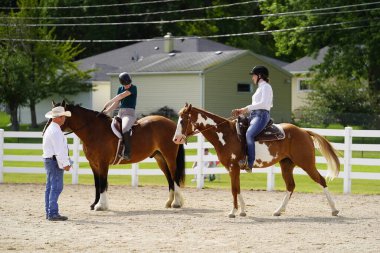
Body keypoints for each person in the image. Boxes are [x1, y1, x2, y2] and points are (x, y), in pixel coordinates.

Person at [232, 65, 273, 171]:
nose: (252, 78)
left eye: (253, 75)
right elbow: (256, 104)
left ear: (260, 75)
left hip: (261, 115)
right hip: (254, 115)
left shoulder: (266, 87)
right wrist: (242, 111)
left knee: (249, 134)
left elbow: (263, 104)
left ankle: (249, 163)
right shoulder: (260, 88)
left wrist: (245, 108)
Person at [42, 106, 72, 221]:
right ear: (59, 118)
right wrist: (66, 163)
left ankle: (49, 211)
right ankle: (52, 213)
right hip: (54, 161)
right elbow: (59, 150)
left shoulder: (52, 128)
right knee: (56, 187)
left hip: (50, 159)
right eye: (63, 116)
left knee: (50, 187)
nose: (64, 118)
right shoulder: (55, 131)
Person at [103, 72, 137, 160]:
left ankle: (128, 152)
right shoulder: (120, 88)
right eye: (125, 85)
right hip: (120, 113)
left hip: (129, 114)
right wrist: (107, 111)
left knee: (125, 129)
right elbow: (117, 103)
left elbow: (121, 96)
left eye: (128, 84)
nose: (127, 86)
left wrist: (108, 102)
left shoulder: (134, 88)